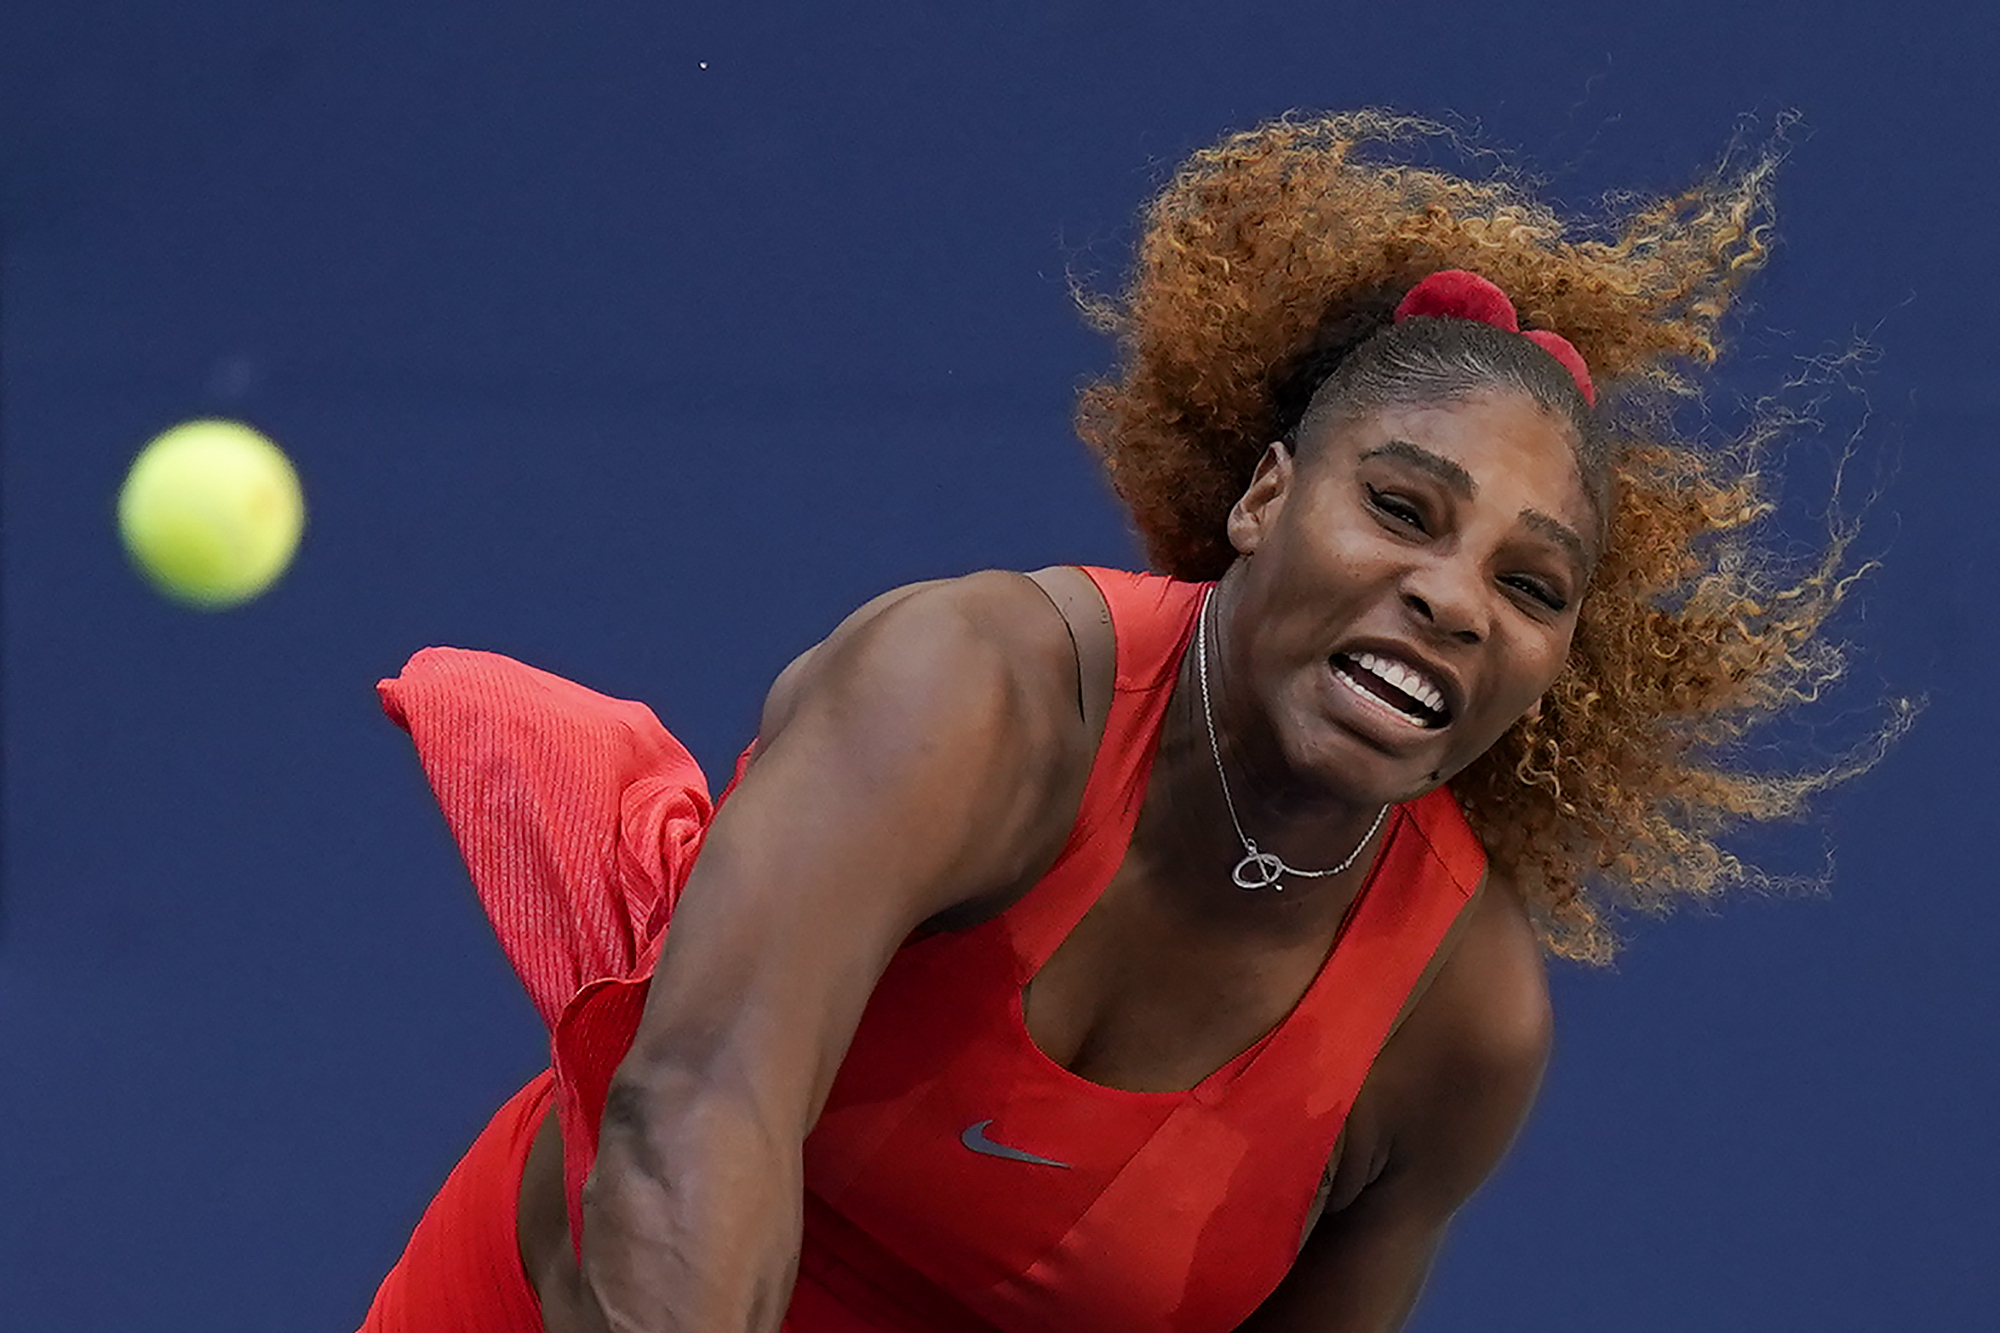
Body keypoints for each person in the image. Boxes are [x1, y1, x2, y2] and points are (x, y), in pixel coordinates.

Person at [358, 112, 1879, 1333]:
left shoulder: (1460, 1027)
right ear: (1265, 495)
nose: (1453, 596)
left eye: (1530, 585)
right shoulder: (967, 692)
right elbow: (695, 1112)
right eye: (1402, 509)